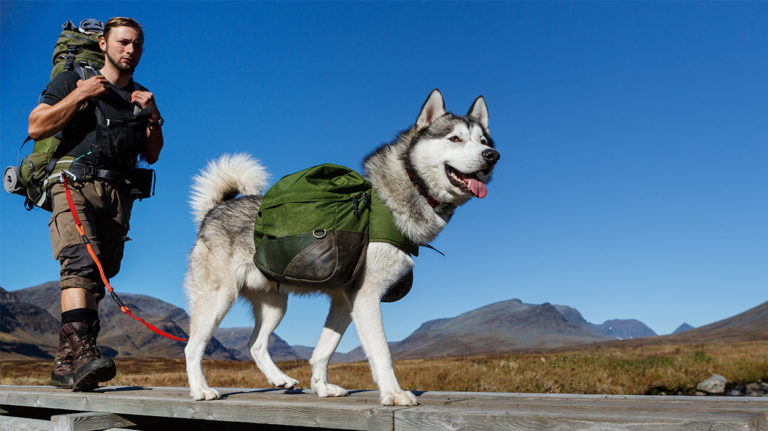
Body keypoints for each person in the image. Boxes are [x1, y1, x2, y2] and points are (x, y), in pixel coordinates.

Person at [27, 17, 163, 391]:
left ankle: (64, 364)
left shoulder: (142, 95)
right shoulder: (75, 80)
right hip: (72, 184)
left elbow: (151, 154)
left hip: (118, 197)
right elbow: (36, 126)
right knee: (80, 263)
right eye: (123, 42)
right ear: (103, 43)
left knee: (102, 275)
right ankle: (85, 352)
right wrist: (80, 94)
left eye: (137, 44)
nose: (130, 50)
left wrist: (153, 116)